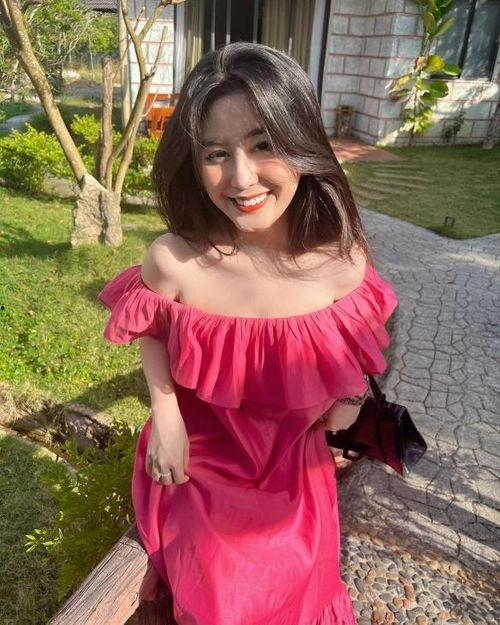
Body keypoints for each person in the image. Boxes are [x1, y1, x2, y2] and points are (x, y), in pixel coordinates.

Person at [98, 42, 398, 625]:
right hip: (201, 471)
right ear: (192, 163)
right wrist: (166, 418)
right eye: (216, 154)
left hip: (296, 472)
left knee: (303, 596)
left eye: (264, 144)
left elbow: (357, 348)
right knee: (224, 601)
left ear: (302, 144)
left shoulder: (340, 264)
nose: (241, 178)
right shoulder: (175, 261)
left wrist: (348, 402)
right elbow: (153, 329)